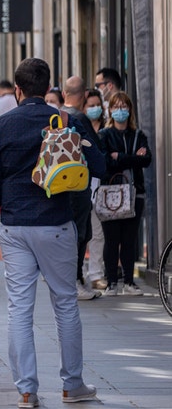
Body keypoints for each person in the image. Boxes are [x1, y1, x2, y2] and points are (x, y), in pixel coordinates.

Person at [0, 58, 104, 408]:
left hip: (15, 227)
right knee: (65, 305)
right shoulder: (65, 119)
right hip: (57, 224)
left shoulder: (1, 126)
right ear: (50, 88)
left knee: (19, 309)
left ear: (17, 90)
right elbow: (100, 166)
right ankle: (71, 385)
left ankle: (27, 391)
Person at [98, 91, 151, 297]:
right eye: (116, 107)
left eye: (124, 106)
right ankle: (112, 281)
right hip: (110, 193)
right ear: (110, 110)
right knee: (111, 239)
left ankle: (129, 281)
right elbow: (106, 162)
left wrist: (119, 156)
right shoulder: (104, 135)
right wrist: (130, 158)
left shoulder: (138, 135)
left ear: (130, 109)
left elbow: (146, 159)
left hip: (134, 193)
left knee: (129, 239)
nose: (121, 111)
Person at [61, 76, 103, 301]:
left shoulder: (57, 116)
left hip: (61, 186)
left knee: (73, 233)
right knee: (81, 233)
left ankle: (73, 279)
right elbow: (95, 152)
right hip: (79, 186)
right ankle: (75, 279)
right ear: (85, 95)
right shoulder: (79, 119)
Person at [83, 89, 107, 290]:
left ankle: (96, 274)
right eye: (90, 105)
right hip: (84, 186)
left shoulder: (107, 128)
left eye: (96, 105)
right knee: (83, 233)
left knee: (98, 233)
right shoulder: (80, 125)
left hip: (103, 187)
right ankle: (80, 273)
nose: (94, 109)